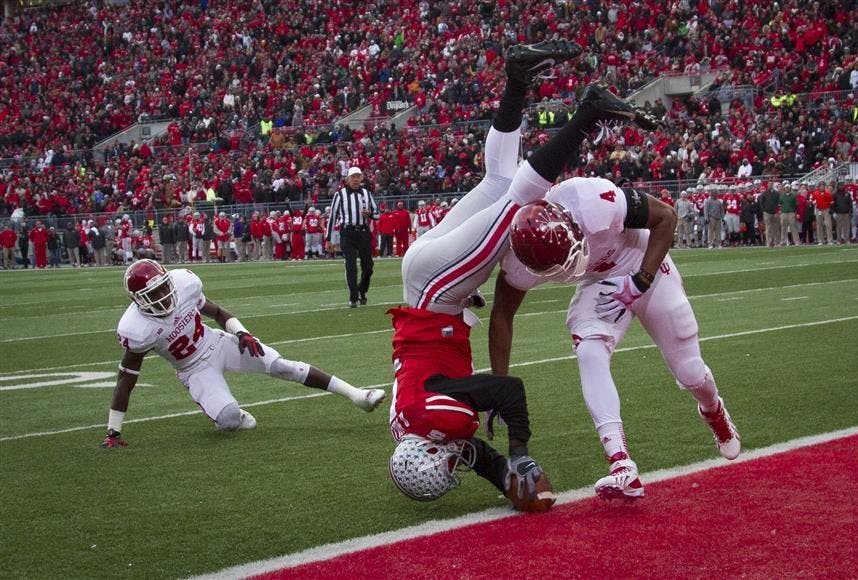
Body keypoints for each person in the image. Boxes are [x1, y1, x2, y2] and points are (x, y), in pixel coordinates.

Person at [387, 40, 659, 507]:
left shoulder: (440, 423)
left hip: (439, 293)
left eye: (447, 462)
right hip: (422, 279)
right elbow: (470, 451)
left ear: (431, 449)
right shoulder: (411, 429)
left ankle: (587, 114)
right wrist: (514, 489)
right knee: (498, 181)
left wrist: (521, 454)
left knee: (518, 202)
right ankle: (517, 77)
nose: (457, 462)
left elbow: (508, 393)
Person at [490, 173, 741, 503]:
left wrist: (641, 281)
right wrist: (499, 386)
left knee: (691, 372)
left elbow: (666, 216)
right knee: (588, 349)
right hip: (601, 281)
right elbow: (501, 315)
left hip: (641, 260)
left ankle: (712, 409)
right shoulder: (520, 257)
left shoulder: (591, 201)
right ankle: (621, 464)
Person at [100, 259, 386, 448]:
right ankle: (228, 412)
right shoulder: (137, 330)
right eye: (154, 294)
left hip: (218, 343)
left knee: (281, 366)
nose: (163, 296)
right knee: (228, 421)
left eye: (164, 288)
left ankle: (357, 395)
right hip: (193, 369)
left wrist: (242, 333)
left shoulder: (184, 286)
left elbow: (218, 312)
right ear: (138, 301)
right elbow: (126, 380)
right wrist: (114, 432)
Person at [327, 167, 379, 307]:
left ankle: (362, 290)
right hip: (347, 233)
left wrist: (370, 214)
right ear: (348, 179)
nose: (355, 179)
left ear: (362, 178)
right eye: (353, 177)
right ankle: (354, 297)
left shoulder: (367, 194)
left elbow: (377, 213)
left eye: (358, 176)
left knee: (368, 266)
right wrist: (328, 239)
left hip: (363, 232)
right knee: (351, 266)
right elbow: (332, 217)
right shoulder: (340, 195)